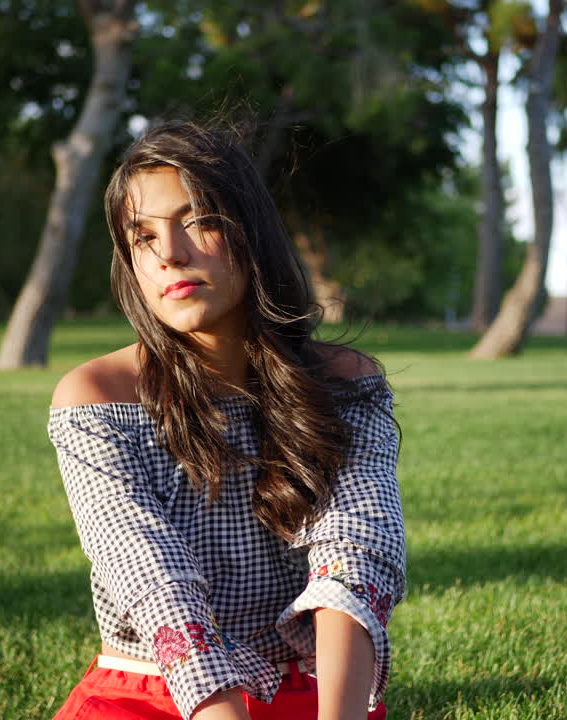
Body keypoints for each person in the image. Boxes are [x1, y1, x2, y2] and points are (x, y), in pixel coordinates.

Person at [47, 120, 405, 720]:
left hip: (314, 693)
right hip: (150, 694)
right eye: (143, 236)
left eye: (198, 221)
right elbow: (154, 583)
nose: (170, 254)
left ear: (250, 230)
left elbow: (355, 557)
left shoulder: (346, 385)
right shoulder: (96, 399)